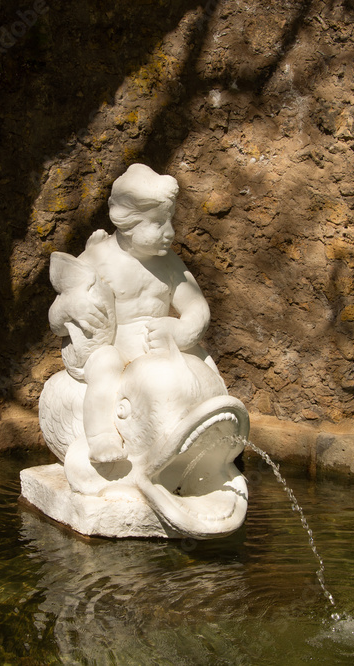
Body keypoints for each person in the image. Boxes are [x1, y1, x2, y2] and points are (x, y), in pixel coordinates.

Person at [48, 164, 216, 463]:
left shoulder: (167, 262)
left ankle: (211, 436)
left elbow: (196, 305)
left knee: (200, 362)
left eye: (170, 221)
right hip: (115, 352)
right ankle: (101, 437)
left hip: (158, 353)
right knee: (106, 364)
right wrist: (72, 307)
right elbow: (56, 322)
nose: (170, 233)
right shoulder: (98, 258)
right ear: (127, 222)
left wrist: (182, 330)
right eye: (158, 223)